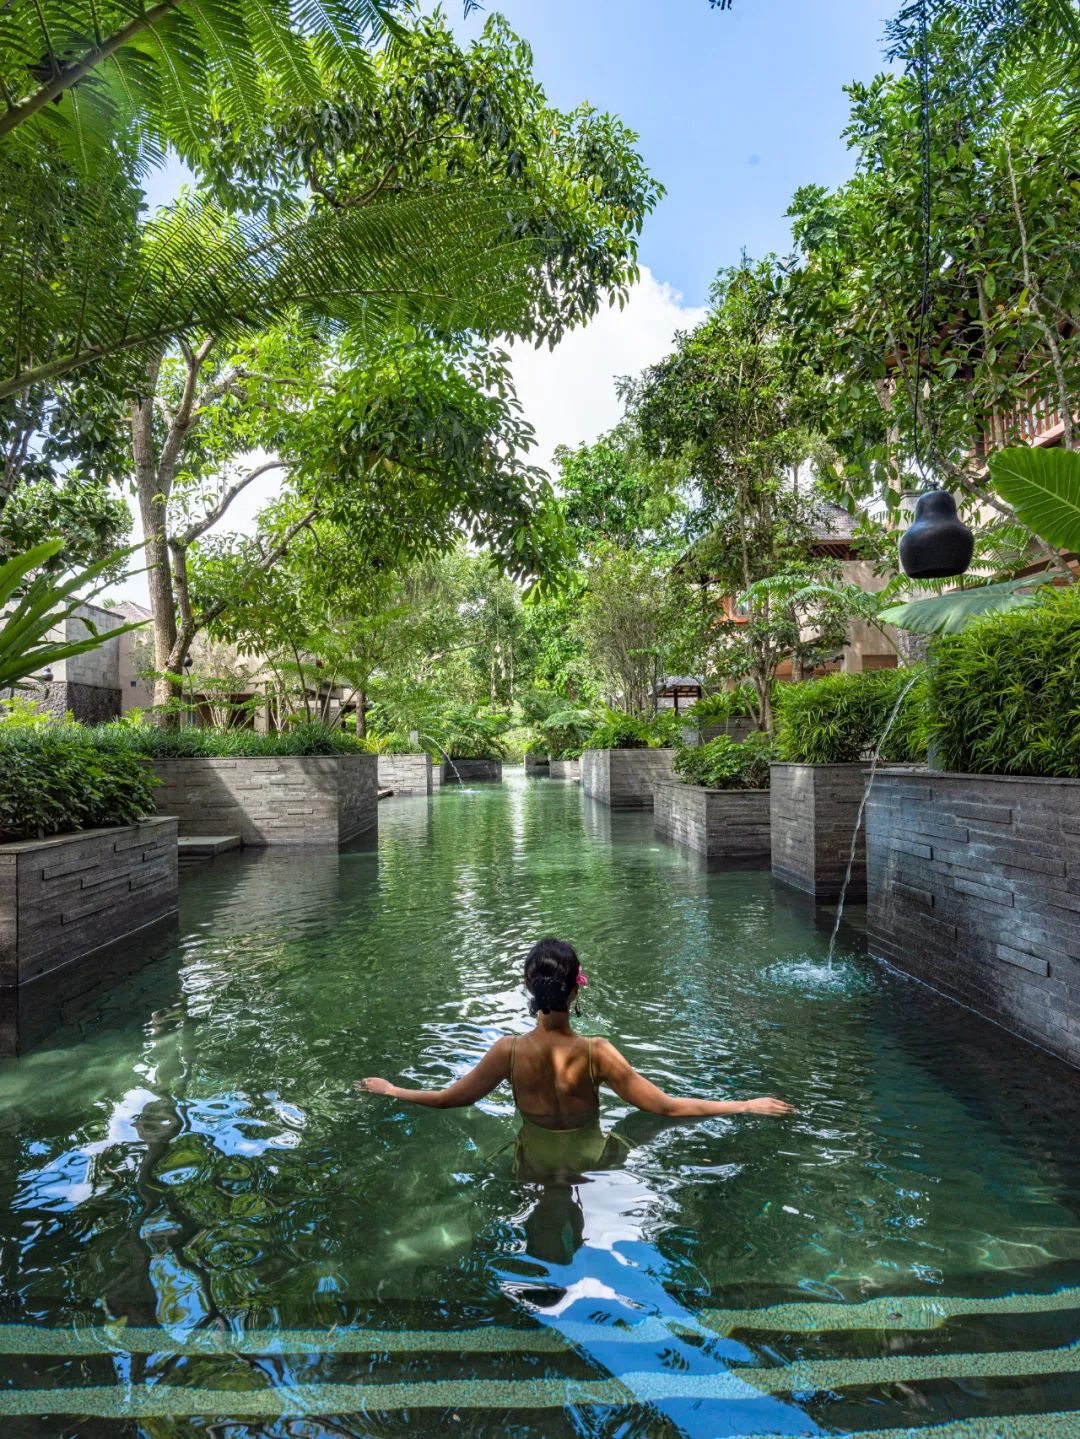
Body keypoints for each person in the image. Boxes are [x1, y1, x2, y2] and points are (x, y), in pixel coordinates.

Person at [355, 938, 794, 1176]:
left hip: (531, 1165)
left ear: (529, 989)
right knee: (641, 1129)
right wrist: (744, 1105)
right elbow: (665, 1107)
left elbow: (451, 1099)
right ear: (576, 988)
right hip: (594, 1162)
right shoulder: (596, 1052)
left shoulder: (507, 1052)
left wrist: (392, 1089)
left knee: (482, 1131)